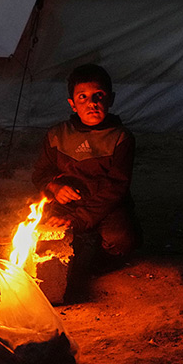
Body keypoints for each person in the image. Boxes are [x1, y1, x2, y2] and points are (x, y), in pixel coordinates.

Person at [32, 63, 142, 266]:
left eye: (98, 95)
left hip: (106, 207)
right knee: (40, 236)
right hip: (67, 206)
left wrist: (79, 219)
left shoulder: (120, 138)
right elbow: (40, 175)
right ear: (72, 104)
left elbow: (116, 187)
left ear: (111, 99)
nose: (92, 103)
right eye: (82, 97)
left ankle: (94, 254)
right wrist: (55, 187)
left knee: (121, 240)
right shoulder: (57, 135)